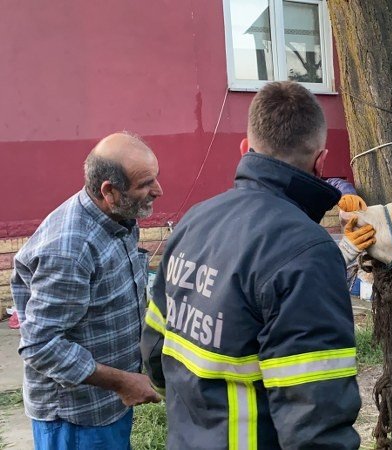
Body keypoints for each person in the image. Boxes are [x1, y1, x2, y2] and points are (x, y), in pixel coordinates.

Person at [141, 81, 362, 449]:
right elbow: (316, 417)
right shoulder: (307, 250)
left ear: (245, 149)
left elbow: (154, 349)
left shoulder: (194, 221)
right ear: (320, 161)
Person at [11, 132, 164, 449]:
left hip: (109, 403)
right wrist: (123, 382)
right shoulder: (71, 249)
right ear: (109, 190)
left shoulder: (118, 215)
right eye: (145, 184)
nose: (158, 191)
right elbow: (40, 345)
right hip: (76, 417)